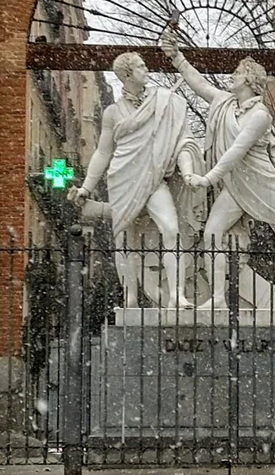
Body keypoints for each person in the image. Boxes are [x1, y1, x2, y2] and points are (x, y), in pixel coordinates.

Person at [161, 27, 275, 310]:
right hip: (236, 186)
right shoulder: (225, 103)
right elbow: (199, 84)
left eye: (237, 74)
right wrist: (177, 58)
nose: (231, 78)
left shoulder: (260, 114)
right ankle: (219, 299)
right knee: (212, 235)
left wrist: (208, 179)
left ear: (249, 80)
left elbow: (236, 151)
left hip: (261, 184)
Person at [69, 50, 200, 307]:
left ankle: (177, 295)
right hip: (124, 179)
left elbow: (176, 137)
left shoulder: (162, 101)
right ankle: (129, 299)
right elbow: (103, 152)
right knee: (126, 240)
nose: (146, 69)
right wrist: (86, 187)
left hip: (153, 178)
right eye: (141, 67)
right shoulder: (112, 112)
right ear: (128, 74)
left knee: (171, 230)